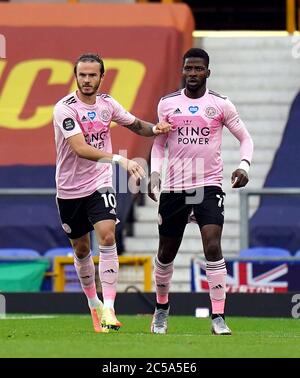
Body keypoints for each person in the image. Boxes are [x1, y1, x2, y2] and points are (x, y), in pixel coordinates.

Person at [53, 53, 170, 333]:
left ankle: (109, 307)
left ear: (102, 77)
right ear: (76, 76)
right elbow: (80, 149)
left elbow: (134, 124)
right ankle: (93, 303)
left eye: (93, 75)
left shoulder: (108, 104)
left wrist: (156, 128)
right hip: (69, 188)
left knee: (107, 235)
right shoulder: (64, 109)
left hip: (99, 183)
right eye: (82, 75)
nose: (87, 80)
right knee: (81, 249)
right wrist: (121, 160)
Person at [148, 48, 253, 335]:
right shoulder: (167, 104)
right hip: (174, 187)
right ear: (182, 71)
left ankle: (218, 316)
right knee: (166, 252)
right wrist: (154, 173)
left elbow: (245, 138)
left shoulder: (220, 104)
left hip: (208, 185)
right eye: (188, 69)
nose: (192, 74)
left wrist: (244, 165)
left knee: (212, 244)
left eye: (198, 69)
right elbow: (159, 144)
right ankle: (161, 309)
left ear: (208, 72)